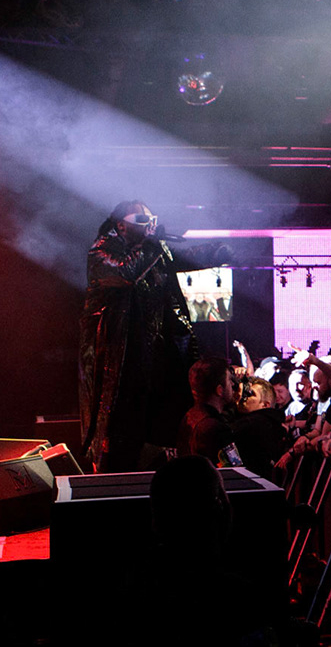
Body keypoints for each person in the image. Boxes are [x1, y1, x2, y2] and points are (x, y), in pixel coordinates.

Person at [79, 200, 232, 472]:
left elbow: (182, 257)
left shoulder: (153, 250)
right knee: (120, 434)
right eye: (141, 219)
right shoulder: (101, 252)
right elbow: (126, 273)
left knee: (159, 431)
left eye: (152, 218)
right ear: (121, 226)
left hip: (155, 358)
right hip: (119, 361)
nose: (149, 224)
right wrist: (152, 244)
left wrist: (215, 251)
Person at [178, 358, 237, 464]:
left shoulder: (189, 416)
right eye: (229, 380)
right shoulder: (216, 429)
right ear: (219, 390)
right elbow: (233, 468)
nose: (233, 384)